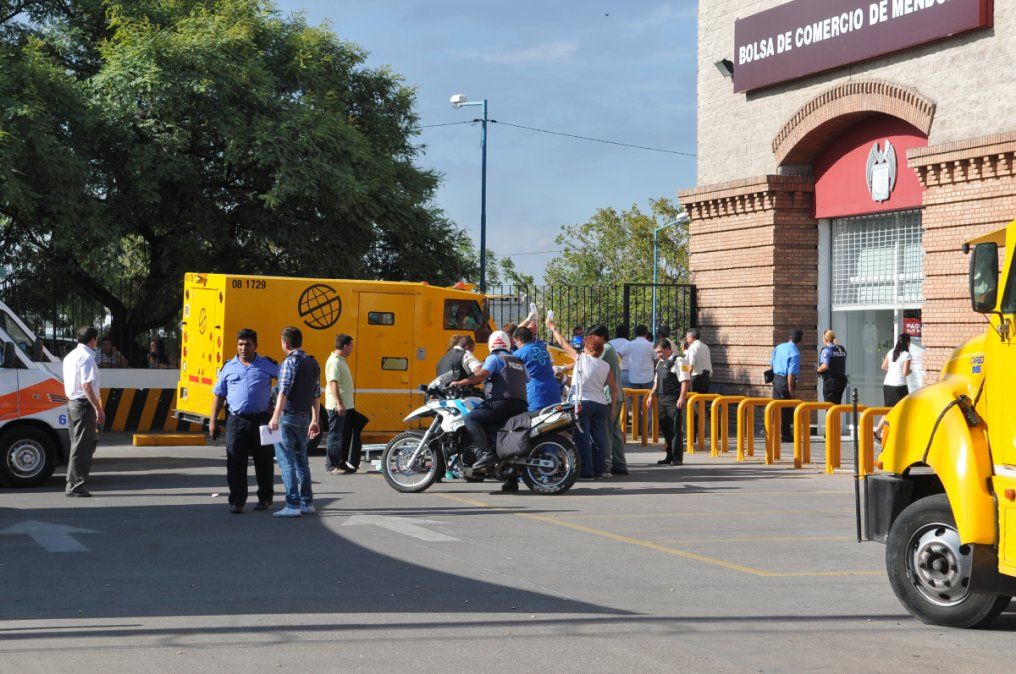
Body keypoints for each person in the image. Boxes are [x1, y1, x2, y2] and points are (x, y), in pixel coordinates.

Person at [209, 329, 279, 514]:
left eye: (247, 344)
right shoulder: (228, 367)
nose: (243, 348)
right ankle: (237, 501)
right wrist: (213, 421)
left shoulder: (267, 365)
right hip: (236, 421)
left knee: (264, 462)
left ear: (256, 345)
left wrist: (277, 404)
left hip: (262, 421)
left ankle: (265, 499)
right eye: (240, 344)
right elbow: (219, 395)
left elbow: (284, 382)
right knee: (235, 461)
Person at [547, 319, 621, 480]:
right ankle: (599, 469)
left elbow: (563, 344)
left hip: (582, 402)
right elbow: (614, 389)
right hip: (601, 404)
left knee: (582, 436)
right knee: (599, 438)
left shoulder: (581, 359)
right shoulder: (604, 366)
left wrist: (553, 328)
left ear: (587, 347)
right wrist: (613, 409)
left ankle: (586, 471)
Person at [451, 331, 529, 470]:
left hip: (502, 402)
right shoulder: (518, 361)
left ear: (491, 344)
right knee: (500, 432)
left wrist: (460, 383)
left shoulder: (495, 358)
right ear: (508, 343)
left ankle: (487, 454)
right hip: (521, 405)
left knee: (471, 419)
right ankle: (509, 478)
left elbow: (482, 374)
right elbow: (527, 379)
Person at [268, 326, 321, 518]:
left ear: (285, 343)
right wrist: (315, 420)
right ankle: (307, 502)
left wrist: (275, 416)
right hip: (305, 417)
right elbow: (316, 394)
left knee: (286, 461)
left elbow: (284, 390)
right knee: (301, 461)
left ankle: (292, 504)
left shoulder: (290, 362)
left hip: (288, 416)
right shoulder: (313, 363)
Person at [62, 326, 105, 497]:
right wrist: (98, 408)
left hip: (73, 403)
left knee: (78, 445)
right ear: (93, 339)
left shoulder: (70, 356)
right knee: (83, 447)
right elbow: (86, 386)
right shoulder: (86, 357)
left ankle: (73, 484)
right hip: (84, 405)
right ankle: (75, 486)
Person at [645, 339, 691, 465]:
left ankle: (677, 457)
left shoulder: (679, 361)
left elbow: (685, 380)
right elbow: (657, 381)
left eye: (660, 352)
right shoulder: (660, 362)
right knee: (665, 428)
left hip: (673, 399)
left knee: (675, 428)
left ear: (667, 349)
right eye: (657, 352)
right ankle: (669, 455)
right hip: (661, 399)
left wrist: (682, 397)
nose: (658, 354)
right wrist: (651, 395)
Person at [324, 333, 355, 474]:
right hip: (337, 406)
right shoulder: (334, 362)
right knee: (334, 436)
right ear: (345, 346)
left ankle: (341, 463)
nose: (352, 349)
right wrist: (339, 403)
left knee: (343, 435)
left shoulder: (341, 360)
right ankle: (332, 465)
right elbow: (333, 383)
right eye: (351, 346)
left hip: (345, 405)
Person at [875, 334, 912, 439]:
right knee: (902, 410)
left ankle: (878, 431)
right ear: (907, 343)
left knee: (887, 410)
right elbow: (905, 372)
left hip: (887, 385)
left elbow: (883, 366)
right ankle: (899, 433)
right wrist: (911, 371)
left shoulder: (890, 352)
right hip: (899, 386)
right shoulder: (906, 355)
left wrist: (892, 371)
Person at [771, 330, 803, 443]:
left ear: (789, 337)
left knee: (775, 407)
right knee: (787, 410)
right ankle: (786, 435)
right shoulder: (795, 353)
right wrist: (791, 390)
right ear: (800, 341)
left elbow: (772, 363)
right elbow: (791, 374)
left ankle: (773, 432)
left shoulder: (779, 347)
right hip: (786, 382)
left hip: (776, 379)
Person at [817, 329, 848, 404]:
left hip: (831, 381)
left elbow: (825, 366)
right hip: (842, 380)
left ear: (825, 339)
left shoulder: (826, 350)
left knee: (830, 406)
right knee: (837, 405)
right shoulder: (841, 349)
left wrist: (818, 370)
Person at [625, 325, 656, 390]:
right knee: (647, 398)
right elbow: (657, 359)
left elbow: (618, 354)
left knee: (635, 399)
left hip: (633, 378)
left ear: (635, 333)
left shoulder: (629, 344)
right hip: (648, 377)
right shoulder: (650, 345)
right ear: (646, 333)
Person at [684, 329, 712, 395]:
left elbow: (691, 366)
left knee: (694, 402)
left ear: (691, 337)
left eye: (687, 337)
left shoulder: (693, 347)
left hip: (696, 379)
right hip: (706, 378)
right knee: (702, 401)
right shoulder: (706, 347)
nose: (686, 339)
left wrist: (686, 380)